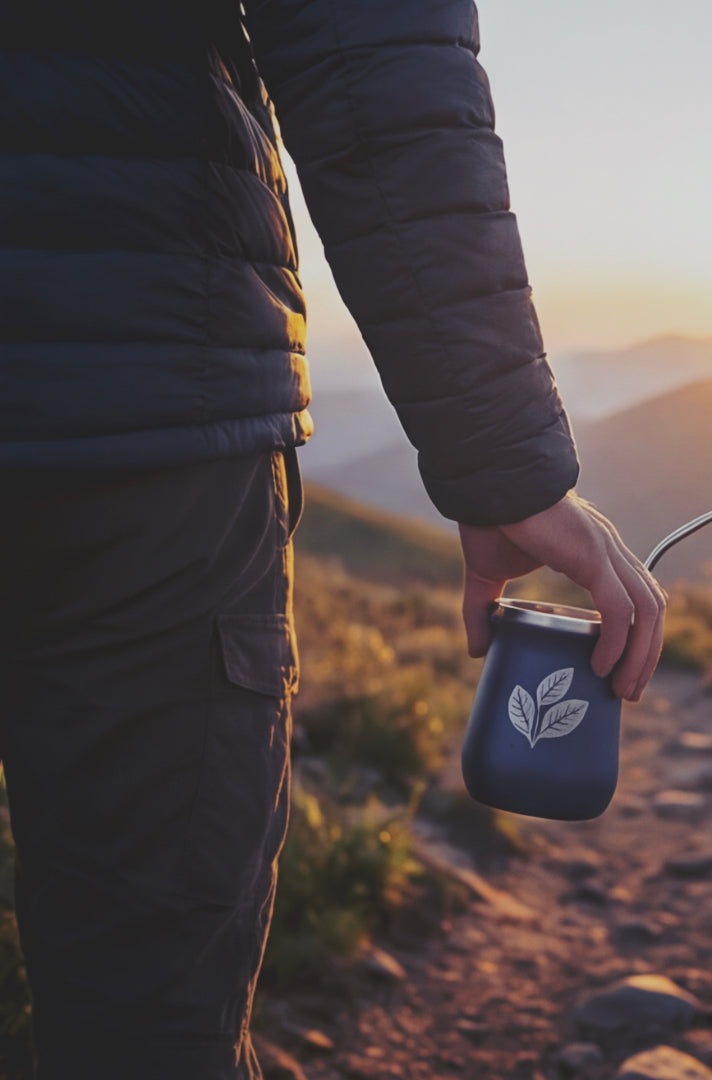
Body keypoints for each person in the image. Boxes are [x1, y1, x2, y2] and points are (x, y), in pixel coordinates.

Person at [0, 1, 666, 1076]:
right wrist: (500, 462)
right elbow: (371, 47)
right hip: (147, 420)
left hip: (150, 417)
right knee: (145, 1019)